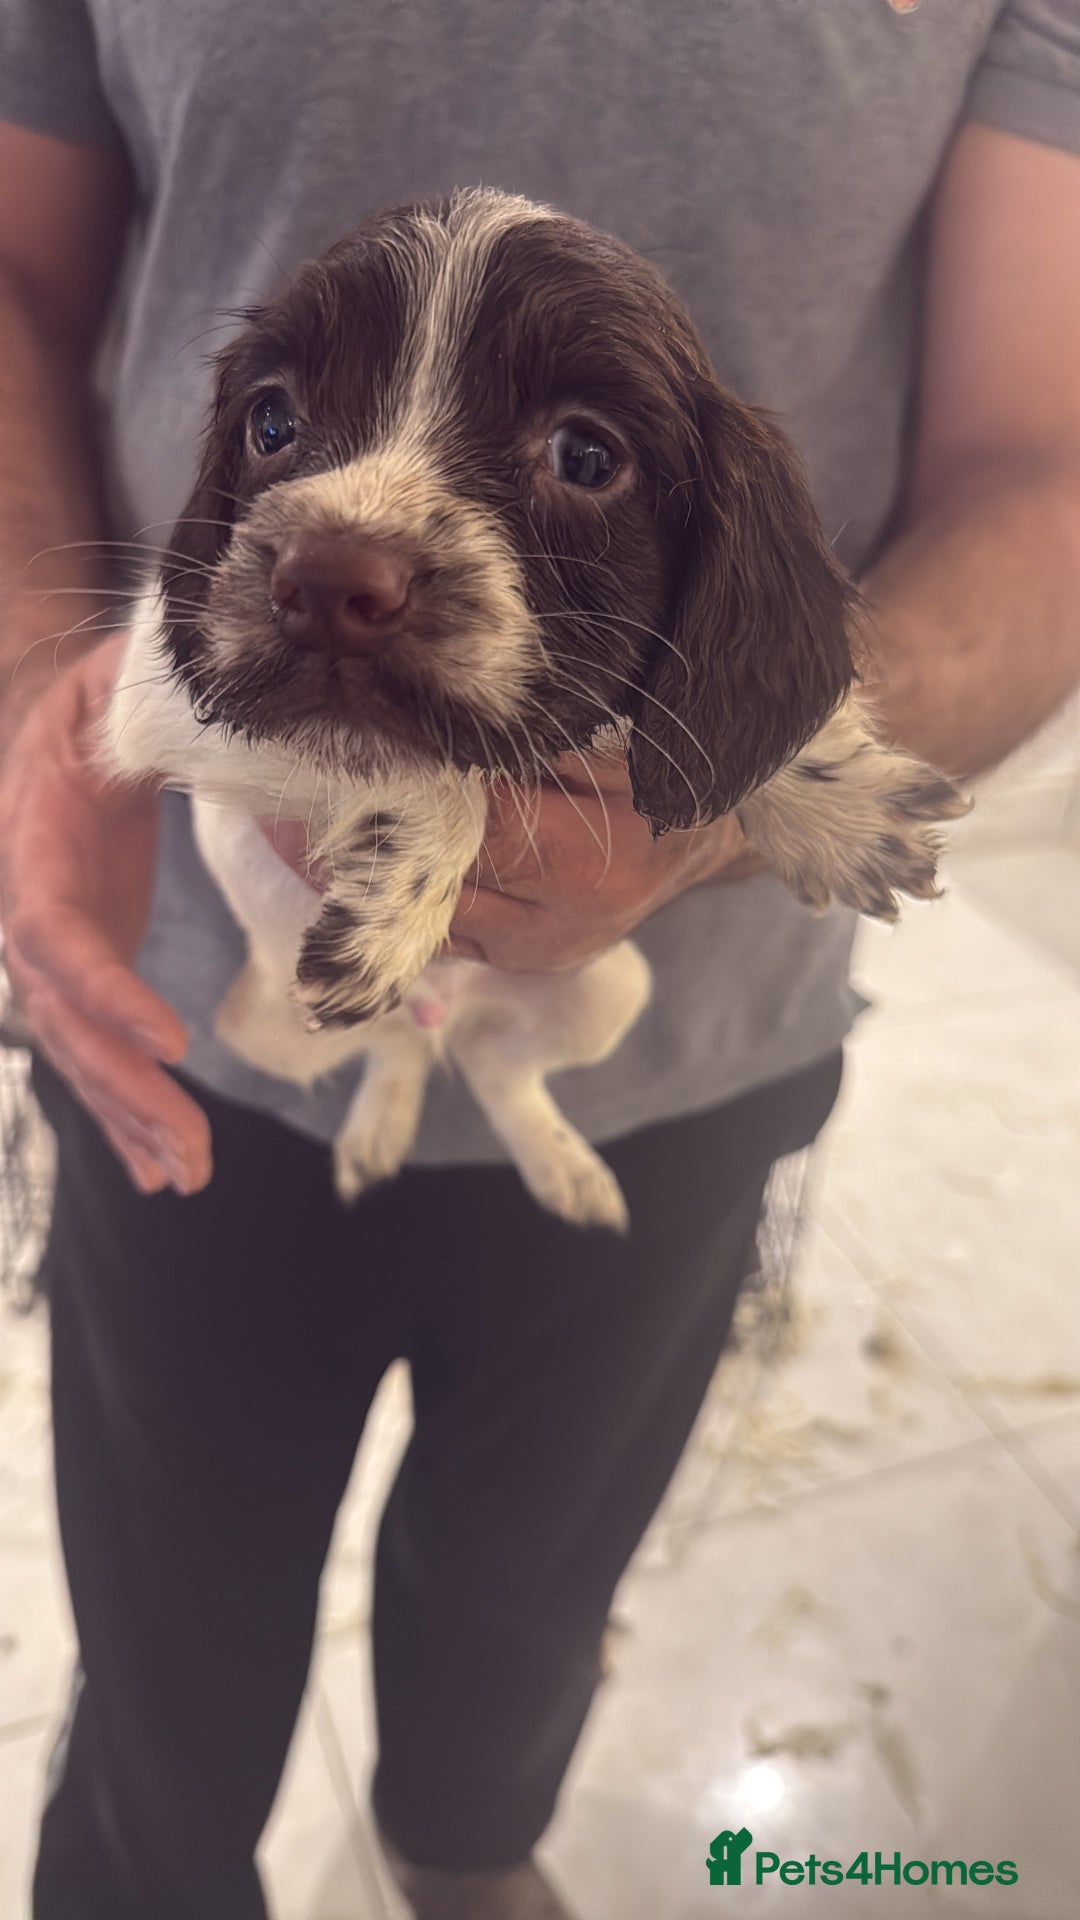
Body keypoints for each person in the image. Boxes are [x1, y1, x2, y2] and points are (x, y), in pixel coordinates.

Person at [1, 3, 1078, 1916]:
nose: (353, 543)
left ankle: (464, 1851)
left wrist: (754, 785)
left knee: (522, 1609)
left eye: (578, 448)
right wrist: (29, 689)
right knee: (162, 1646)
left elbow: (1045, 458)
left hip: (685, 1058)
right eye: (278, 433)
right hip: (175, 1026)